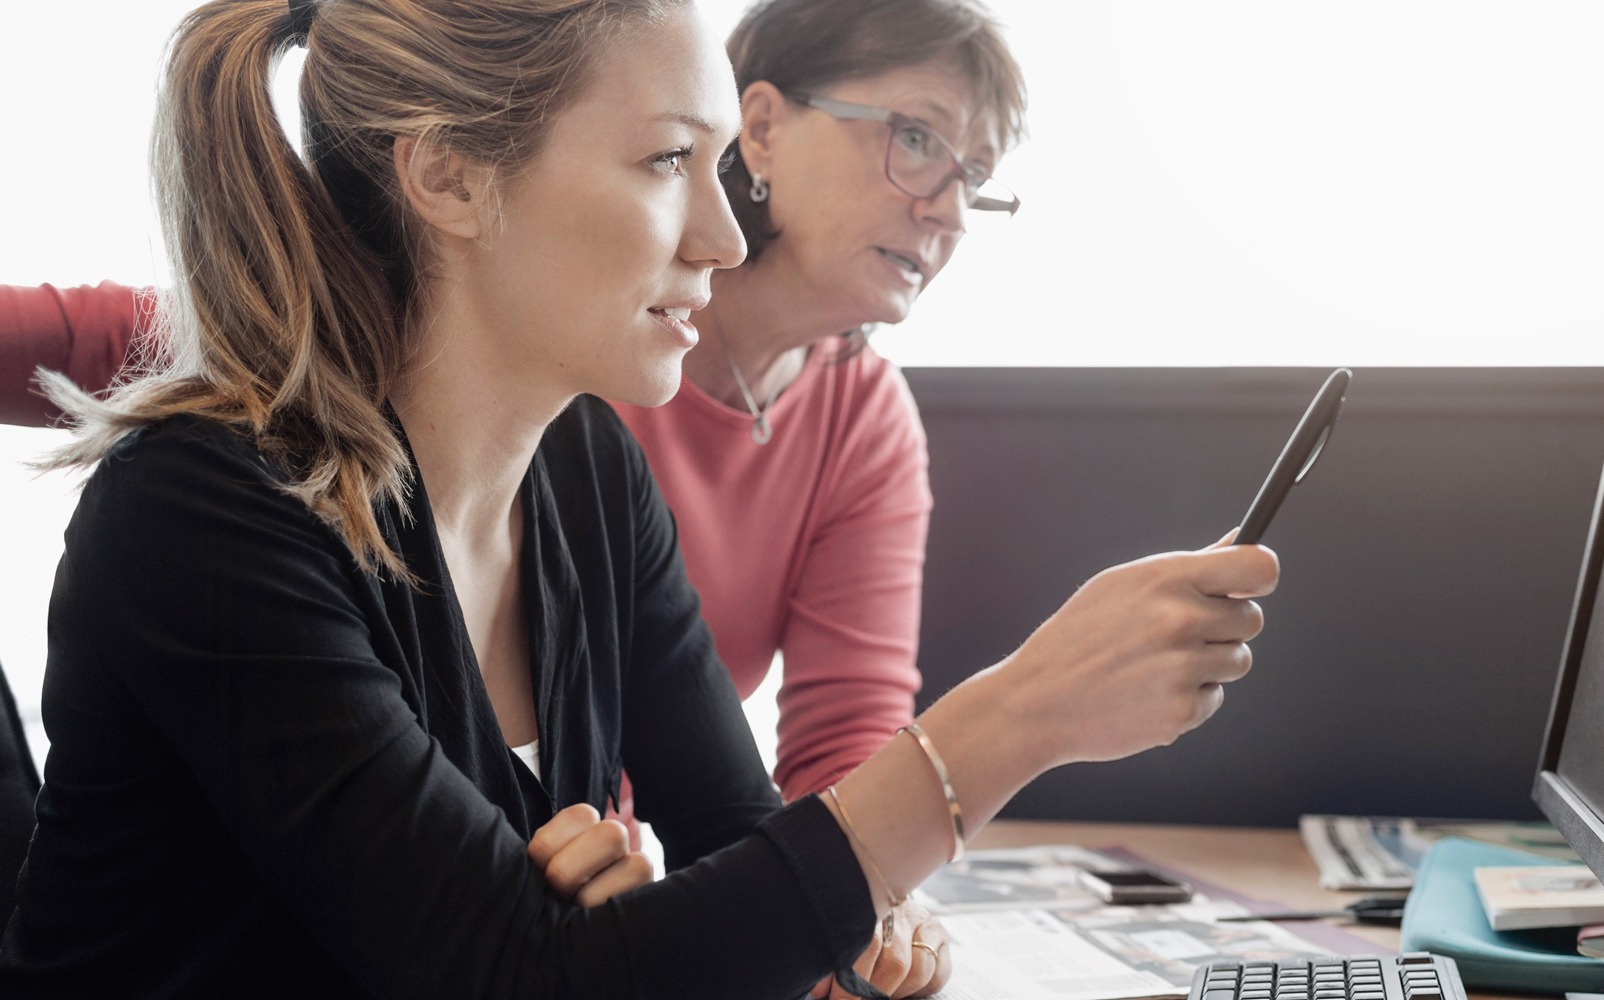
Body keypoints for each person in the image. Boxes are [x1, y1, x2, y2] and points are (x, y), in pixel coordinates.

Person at [0, 1, 1280, 999]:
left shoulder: (587, 471)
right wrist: (1020, 714)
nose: (724, 239)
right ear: (448, 179)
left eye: (721, 168)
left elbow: (734, 846)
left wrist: (707, 916)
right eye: (671, 159)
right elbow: (526, 979)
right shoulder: (203, 513)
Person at [0, 0, 1024, 813]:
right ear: (763, 126)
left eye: (973, 173)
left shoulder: (803, 425)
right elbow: (192, 344)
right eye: (917, 139)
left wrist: (855, 914)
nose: (946, 204)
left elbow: (812, 766)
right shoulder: (503, 327)